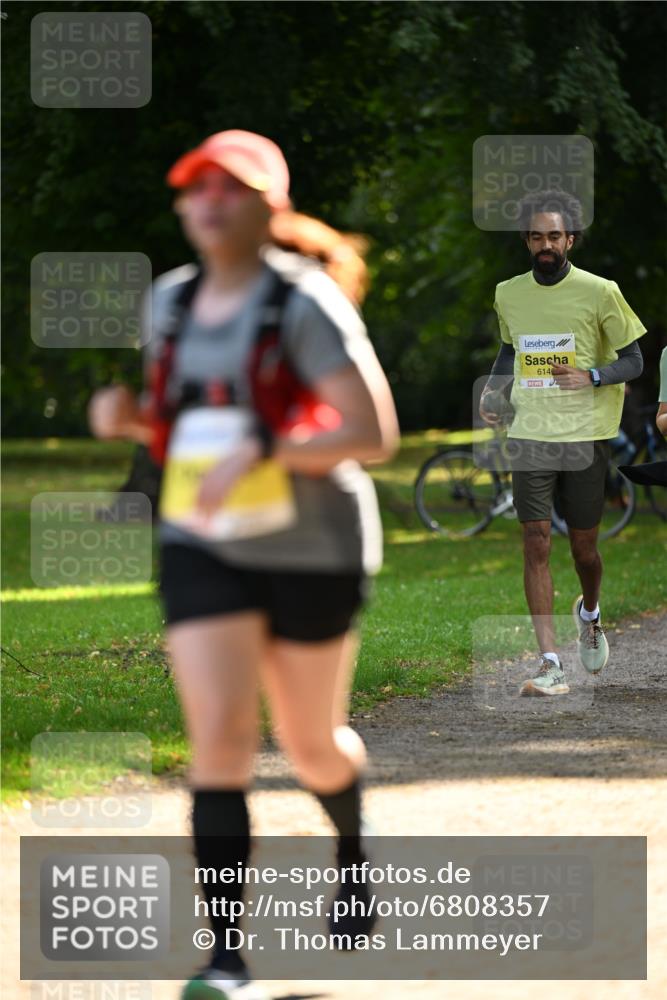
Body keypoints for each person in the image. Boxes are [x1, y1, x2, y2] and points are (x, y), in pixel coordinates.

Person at [88, 129, 399, 999]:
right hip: (204, 538)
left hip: (314, 545)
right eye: (196, 188)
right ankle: (225, 958)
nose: (210, 201)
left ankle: (351, 849)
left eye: (232, 187)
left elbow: (370, 433)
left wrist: (266, 445)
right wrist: (128, 421)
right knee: (219, 741)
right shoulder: (170, 304)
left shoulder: (305, 304)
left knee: (310, 745)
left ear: (271, 207)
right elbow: (188, 429)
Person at [479, 190, 646, 696]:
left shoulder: (601, 291)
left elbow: (634, 361)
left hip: (585, 435)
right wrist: (494, 388)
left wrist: (592, 375)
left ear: (570, 238)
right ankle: (550, 663)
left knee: (584, 550)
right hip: (531, 431)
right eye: (536, 236)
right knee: (534, 541)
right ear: (527, 242)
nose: (545, 244)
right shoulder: (508, 292)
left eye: (554, 235)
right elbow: (511, 351)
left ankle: (589, 611)